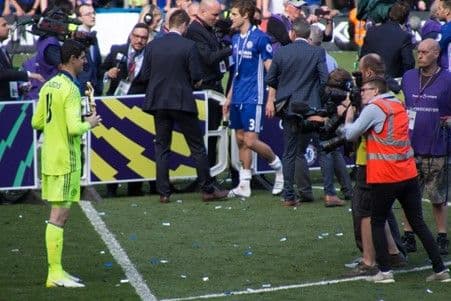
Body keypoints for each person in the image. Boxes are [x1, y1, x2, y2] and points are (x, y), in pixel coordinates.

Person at [343, 76, 450, 283]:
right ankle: (440, 270)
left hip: (385, 175)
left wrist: (348, 116)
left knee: (377, 221)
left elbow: (351, 134)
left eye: (365, 89)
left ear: (375, 91)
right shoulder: (398, 104)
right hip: (407, 173)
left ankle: (384, 272)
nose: (362, 93)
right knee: (418, 222)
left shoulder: (375, 108)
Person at [31, 39, 102, 288]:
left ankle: (57, 271)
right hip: (67, 159)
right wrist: (90, 123)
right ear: (72, 59)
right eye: (82, 57)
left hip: (50, 156)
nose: (85, 62)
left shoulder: (50, 85)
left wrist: (57, 124)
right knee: (59, 216)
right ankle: (55, 273)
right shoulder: (71, 89)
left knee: (59, 215)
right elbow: (75, 128)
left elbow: (37, 122)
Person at [141, 9, 229, 203]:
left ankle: (163, 192)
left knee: (162, 147)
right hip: (182, 101)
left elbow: (145, 75)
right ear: (184, 25)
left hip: (159, 102)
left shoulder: (152, 45)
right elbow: (197, 77)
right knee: (197, 147)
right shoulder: (189, 46)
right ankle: (207, 189)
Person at [223, 0, 284, 198]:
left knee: (250, 141)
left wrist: (270, 98)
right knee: (240, 140)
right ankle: (244, 184)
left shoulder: (260, 38)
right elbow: (237, 72)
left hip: (254, 96)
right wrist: (229, 98)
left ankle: (278, 167)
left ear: (245, 15)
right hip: (238, 96)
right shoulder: (235, 39)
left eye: (233, 14)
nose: (230, 18)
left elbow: (271, 70)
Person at [266, 17, 327, 207]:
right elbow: (324, 80)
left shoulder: (282, 52)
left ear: (292, 33)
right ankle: (331, 192)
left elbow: (271, 79)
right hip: (312, 109)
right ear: (308, 34)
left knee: (290, 153)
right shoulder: (317, 52)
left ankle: (288, 195)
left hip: (290, 108)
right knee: (324, 149)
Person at [401, 38, 451, 255]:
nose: (419, 55)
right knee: (408, 194)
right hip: (410, 145)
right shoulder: (408, 77)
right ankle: (408, 234)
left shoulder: (448, 79)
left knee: (437, 196)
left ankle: (442, 236)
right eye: (418, 52)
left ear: (435, 54)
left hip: (436, 144)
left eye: (424, 52)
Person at [101, 23, 150, 197]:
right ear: (131, 36)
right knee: (113, 148)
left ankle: (134, 188)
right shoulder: (116, 50)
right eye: (137, 36)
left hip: (138, 108)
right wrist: (108, 73)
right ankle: (111, 187)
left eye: (144, 37)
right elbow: (99, 71)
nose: (139, 40)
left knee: (137, 147)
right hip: (114, 106)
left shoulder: (151, 54)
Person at [185, 0, 232, 171]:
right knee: (208, 134)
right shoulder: (195, 31)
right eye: (214, 15)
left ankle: (210, 175)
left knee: (214, 133)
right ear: (202, 12)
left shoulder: (207, 27)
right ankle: (207, 176)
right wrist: (232, 49)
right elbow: (209, 58)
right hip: (205, 89)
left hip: (214, 86)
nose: (217, 18)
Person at [360, 0, 415, 78]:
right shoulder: (404, 36)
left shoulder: (371, 31)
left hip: (371, 78)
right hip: (393, 81)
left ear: (389, 13)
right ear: (406, 18)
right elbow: (409, 63)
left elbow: (363, 57)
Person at [0, 16, 44, 100]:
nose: (8, 27)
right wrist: (29, 75)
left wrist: (19, 89)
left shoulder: (3, 49)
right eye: (4, 25)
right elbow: (2, 73)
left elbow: (7, 78)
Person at [75, 3, 103, 96]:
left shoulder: (94, 37)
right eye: (88, 14)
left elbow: (96, 65)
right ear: (79, 18)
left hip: (95, 90)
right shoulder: (74, 38)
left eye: (93, 13)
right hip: (80, 90)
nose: (93, 16)